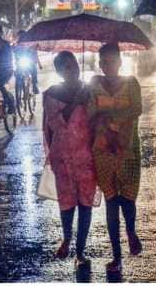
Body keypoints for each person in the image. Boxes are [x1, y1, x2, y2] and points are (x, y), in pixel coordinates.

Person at [87, 43, 143, 274]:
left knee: (128, 199)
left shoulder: (132, 83)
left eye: (111, 61)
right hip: (102, 151)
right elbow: (89, 113)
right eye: (104, 62)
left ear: (120, 62)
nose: (107, 65)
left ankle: (130, 230)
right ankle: (116, 255)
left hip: (128, 149)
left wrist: (112, 118)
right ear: (100, 63)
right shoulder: (92, 84)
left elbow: (137, 109)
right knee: (111, 201)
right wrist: (100, 118)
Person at [42, 51, 97, 268]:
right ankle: (66, 237)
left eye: (73, 64)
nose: (72, 69)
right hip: (63, 158)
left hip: (87, 156)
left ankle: (80, 250)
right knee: (66, 202)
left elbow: (97, 119)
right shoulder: (51, 95)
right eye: (66, 66)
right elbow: (56, 125)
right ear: (58, 72)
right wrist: (76, 102)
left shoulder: (90, 90)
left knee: (85, 204)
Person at [14, 30, 42, 95]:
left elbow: (35, 53)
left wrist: (39, 64)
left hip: (30, 61)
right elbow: (15, 51)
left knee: (33, 70)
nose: (21, 37)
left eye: (22, 35)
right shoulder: (18, 43)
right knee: (17, 72)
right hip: (21, 61)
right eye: (20, 36)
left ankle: (35, 85)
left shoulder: (30, 42)